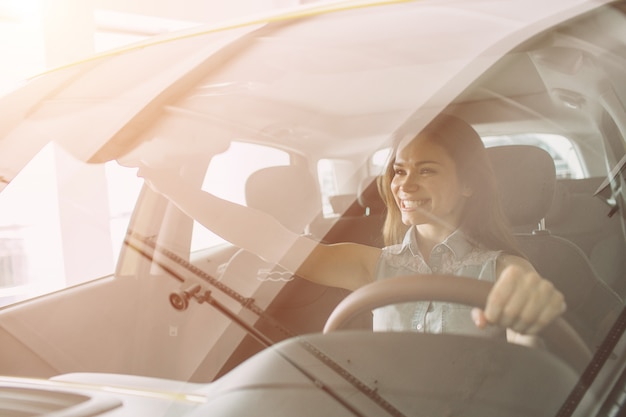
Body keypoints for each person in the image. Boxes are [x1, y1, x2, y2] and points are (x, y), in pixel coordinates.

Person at [138, 114, 566, 342]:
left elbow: (529, 373)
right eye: (399, 170)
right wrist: (169, 183)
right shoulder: (372, 265)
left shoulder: (508, 271)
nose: (405, 184)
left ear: (469, 183)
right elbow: (265, 237)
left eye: (427, 170)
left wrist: (533, 321)